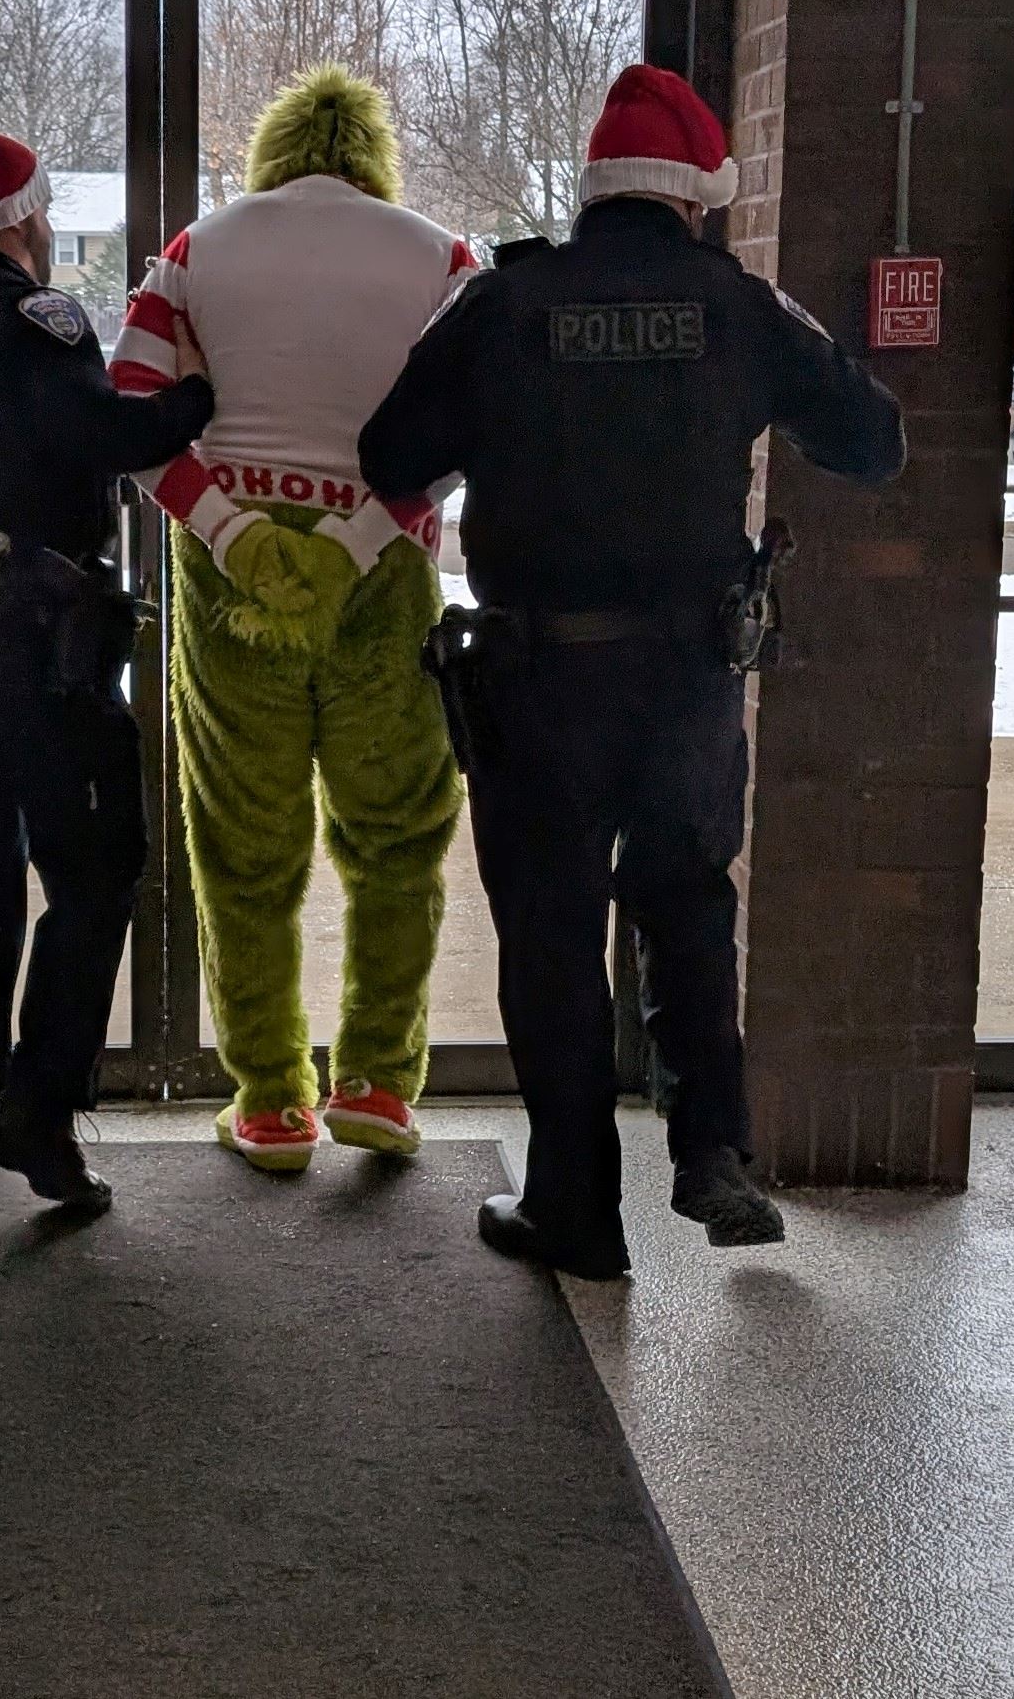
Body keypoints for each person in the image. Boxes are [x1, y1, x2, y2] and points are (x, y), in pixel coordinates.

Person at [360, 66, 905, 1278]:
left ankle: (575, 1212)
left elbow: (388, 457)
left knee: (551, 941)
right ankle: (711, 1151)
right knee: (687, 907)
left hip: (536, 686)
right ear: (695, 200)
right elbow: (874, 443)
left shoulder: (504, 304)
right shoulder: (738, 303)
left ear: (592, 190)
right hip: (687, 683)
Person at [110, 65, 470, 1173]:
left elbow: (129, 415)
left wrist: (236, 534)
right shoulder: (443, 257)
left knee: (243, 846)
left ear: (272, 153)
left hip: (229, 584)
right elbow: (471, 426)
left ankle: (269, 1098)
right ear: (371, 157)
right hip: (382, 570)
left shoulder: (195, 249)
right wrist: (352, 540)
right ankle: (376, 1082)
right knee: (396, 837)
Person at [0, 116, 212, 1213]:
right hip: (39, 642)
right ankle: (40, 1110)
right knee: (95, 872)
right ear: (19, 217)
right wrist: (199, 391)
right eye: (43, 212)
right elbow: (109, 434)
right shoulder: (34, 317)